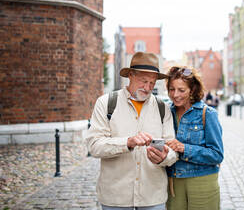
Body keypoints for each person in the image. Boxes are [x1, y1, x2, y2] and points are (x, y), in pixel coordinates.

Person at [85, 52, 178, 210]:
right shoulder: (106, 103)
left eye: (152, 83)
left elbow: (173, 150)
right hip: (115, 197)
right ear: (130, 75)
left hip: (152, 196)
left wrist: (164, 157)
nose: (148, 88)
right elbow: (94, 146)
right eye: (143, 81)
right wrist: (127, 142)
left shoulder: (163, 108)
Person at [165, 66, 224, 210]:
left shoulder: (207, 113)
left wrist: (184, 148)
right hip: (174, 182)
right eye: (171, 89)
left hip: (202, 181)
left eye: (181, 90)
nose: (175, 95)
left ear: (192, 90)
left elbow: (217, 155)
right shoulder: (166, 112)